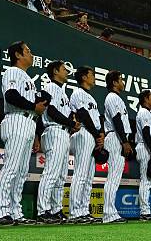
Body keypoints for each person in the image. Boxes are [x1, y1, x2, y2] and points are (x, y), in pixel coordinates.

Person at [0, 41, 47, 225]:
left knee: (22, 171)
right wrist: (34, 106)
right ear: (18, 55)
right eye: (28, 51)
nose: (31, 54)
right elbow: (11, 95)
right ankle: (2, 211)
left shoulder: (27, 78)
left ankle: (15, 211)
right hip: (16, 119)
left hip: (28, 123)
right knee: (11, 168)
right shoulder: (12, 72)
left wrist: (35, 134)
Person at [36, 61, 80, 224]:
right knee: (51, 173)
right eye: (63, 69)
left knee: (61, 176)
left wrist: (72, 124)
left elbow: (67, 114)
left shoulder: (62, 92)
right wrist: (71, 124)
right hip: (54, 130)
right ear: (55, 71)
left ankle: (55, 210)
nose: (67, 72)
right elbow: (51, 111)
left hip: (64, 133)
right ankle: (43, 210)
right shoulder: (49, 87)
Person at [68, 66, 104, 224]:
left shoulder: (91, 97)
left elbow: (97, 118)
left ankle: (83, 210)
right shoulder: (77, 93)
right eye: (92, 75)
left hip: (93, 135)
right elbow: (82, 115)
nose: (94, 77)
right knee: (81, 174)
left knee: (88, 177)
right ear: (84, 77)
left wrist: (100, 134)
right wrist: (97, 135)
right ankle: (75, 212)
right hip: (83, 133)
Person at [102, 70, 133, 224]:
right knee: (113, 177)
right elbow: (116, 119)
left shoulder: (116, 98)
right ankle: (108, 214)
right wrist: (124, 141)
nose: (123, 82)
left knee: (114, 177)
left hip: (117, 137)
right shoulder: (112, 97)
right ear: (114, 82)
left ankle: (110, 212)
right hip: (115, 137)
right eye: (121, 79)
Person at [135, 90, 151, 221]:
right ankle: (144, 213)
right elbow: (145, 132)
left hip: (146, 147)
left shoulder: (146, 112)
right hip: (145, 148)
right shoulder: (144, 112)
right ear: (145, 99)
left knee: (147, 181)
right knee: (145, 181)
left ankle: (145, 212)